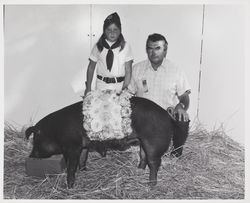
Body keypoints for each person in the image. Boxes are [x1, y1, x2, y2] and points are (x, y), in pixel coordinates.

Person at [129, 33, 191, 122]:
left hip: (167, 120)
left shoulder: (176, 70)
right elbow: (128, 94)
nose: (153, 53)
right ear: (146, 50)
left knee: (184, 123)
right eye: (150, 48)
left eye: (158, 48)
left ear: (165, 50)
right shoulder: (137, 69)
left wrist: (181, 106)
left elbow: (184, 97)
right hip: (142, 121)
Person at [84, 12, 133, 95]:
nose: (112, 33)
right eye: (109, 30)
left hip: (119, 86)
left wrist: (124, 89)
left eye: (115, 30)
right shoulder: (99, 46)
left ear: (120, 30)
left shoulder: (125, 46)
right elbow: (91, 68)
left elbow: (128, 70)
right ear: (104, 30)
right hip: (101, 86)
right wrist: (88, 88)